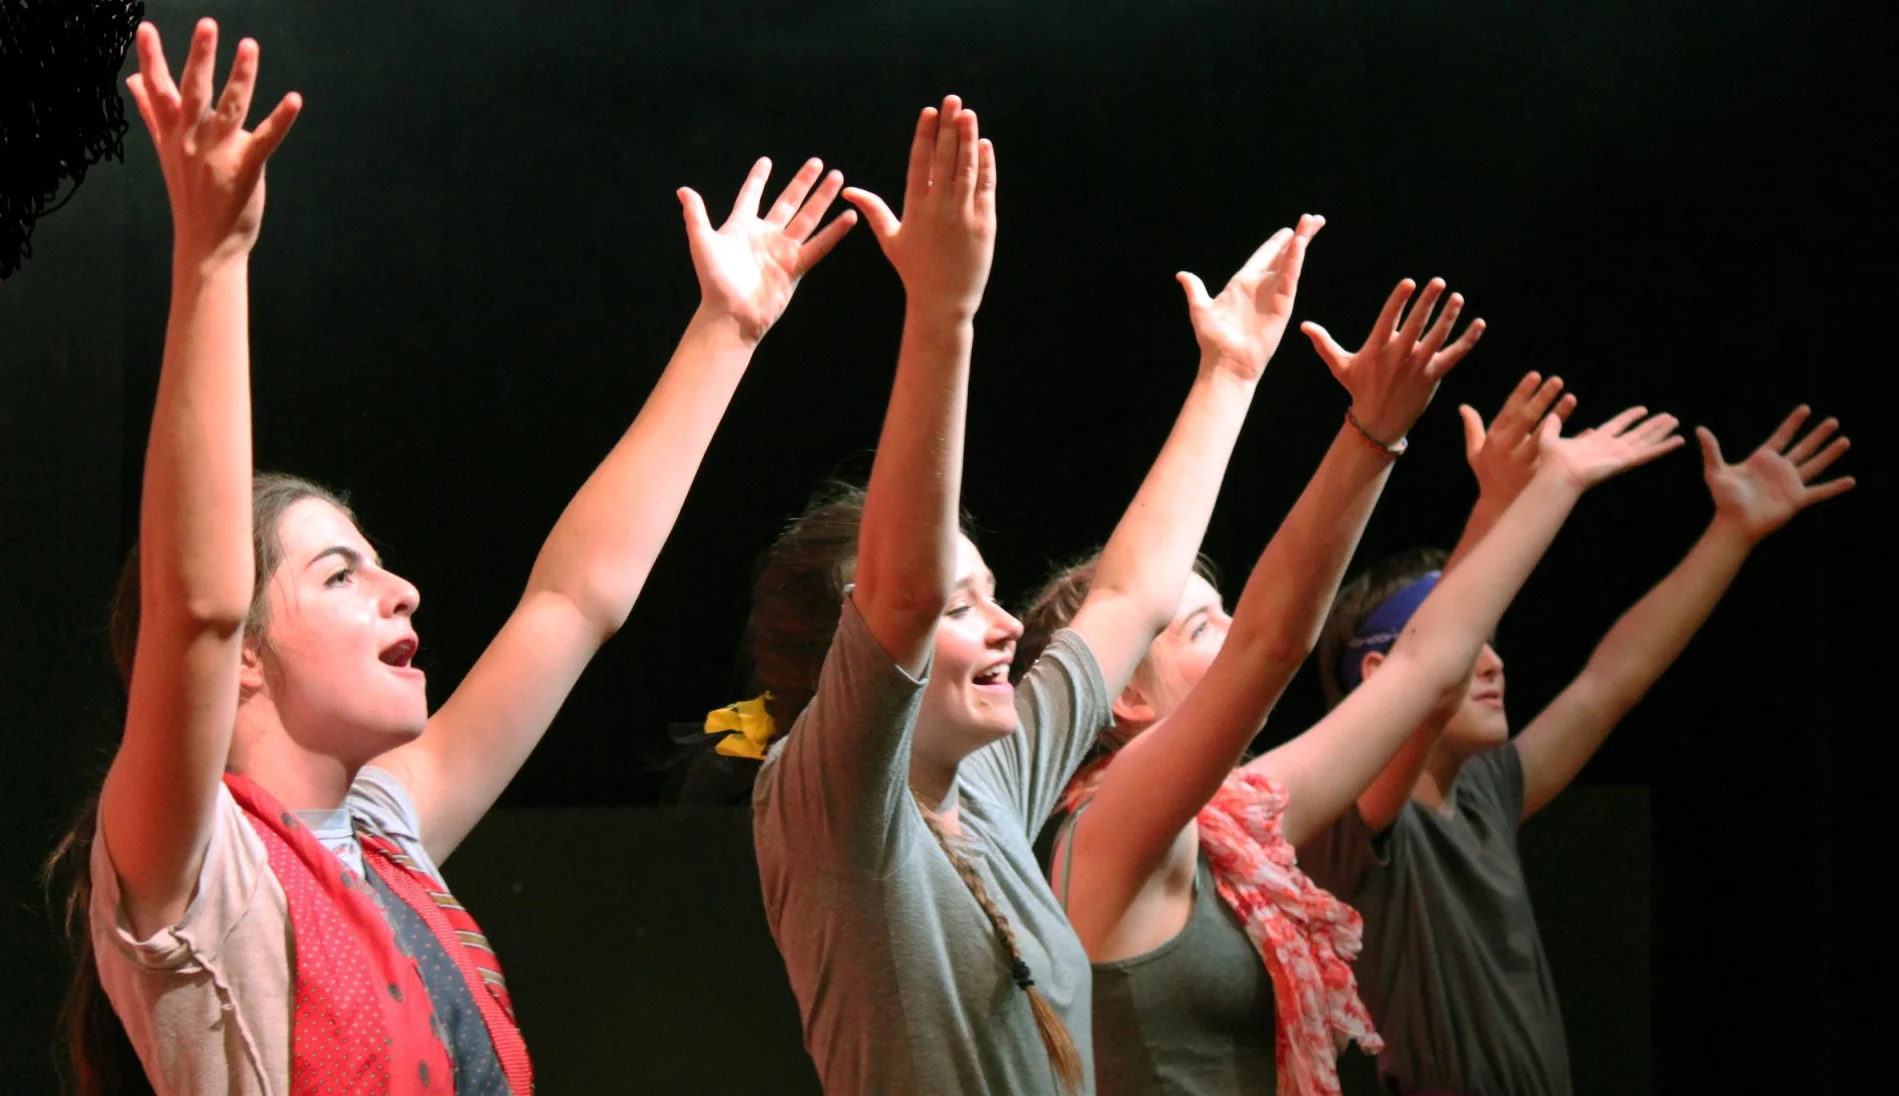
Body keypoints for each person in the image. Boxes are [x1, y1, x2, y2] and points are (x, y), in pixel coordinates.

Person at [47, 18, 855, 1094]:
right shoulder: (200, 866)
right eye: (340, 573)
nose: (402, 589)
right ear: (242, 654)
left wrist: (727, 331)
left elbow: (572, 600)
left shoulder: (385, 831)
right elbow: (191, 602)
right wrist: (216, 256)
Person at [748, 94, 1320, 1094]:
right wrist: (943, 313)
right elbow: (899, 588)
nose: (1006, 622)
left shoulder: (988, 780)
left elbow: (1135, 590)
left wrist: (1230, 372)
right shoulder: (828, 805)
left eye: (987, 592)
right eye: (958, 608)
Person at [1024, 356, 1697, 1093]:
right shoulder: (1107, 825)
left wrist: (1554, 486)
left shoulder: (1233, 821)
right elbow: (1272, 643)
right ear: (1128, 700)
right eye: (1199, 627)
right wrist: (1373, 432)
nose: (1233, 629)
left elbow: (1425, 669)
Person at [1301, 402, 1855, 1095]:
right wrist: (1505, 505)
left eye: (1491, 642)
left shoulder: (1487, 793)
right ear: (1379, 677)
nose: (1494, 662)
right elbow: (1431, 676)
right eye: (1472, 646)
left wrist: (1731, 533)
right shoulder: (1361, 821)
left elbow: (1611, 681)